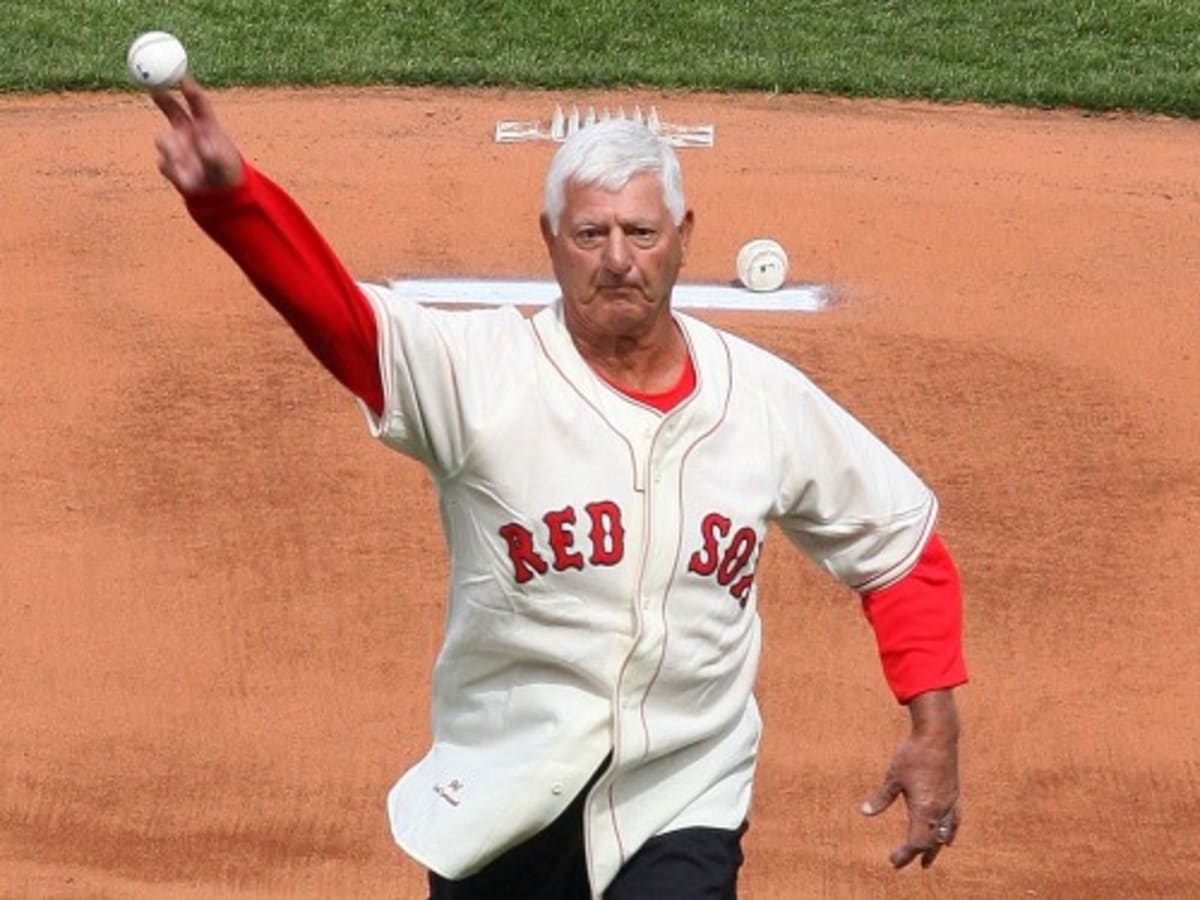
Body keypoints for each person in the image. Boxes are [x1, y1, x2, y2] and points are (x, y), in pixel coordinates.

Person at [150, 77, 967, 899]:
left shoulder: (762, 401)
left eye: (642, 232)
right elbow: (346, 323)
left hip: (680, 793)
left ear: (683, 237)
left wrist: (934, 726)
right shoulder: (482, 375)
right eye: (592, 233)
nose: (618, 259)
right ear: (549, 238)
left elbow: (899, 547)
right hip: (503, 788)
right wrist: (236, 204)